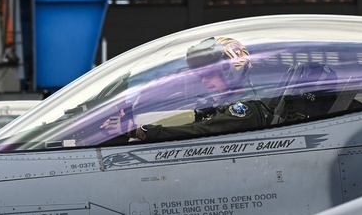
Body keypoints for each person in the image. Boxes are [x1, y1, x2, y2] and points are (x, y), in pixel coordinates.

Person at [103, 36, 271, 143]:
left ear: (231, 69)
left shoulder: (244, 110)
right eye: (200, 75)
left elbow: (199, 131)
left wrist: (139, 130)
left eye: (208, 73)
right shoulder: (224, 104)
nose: (204, 80)